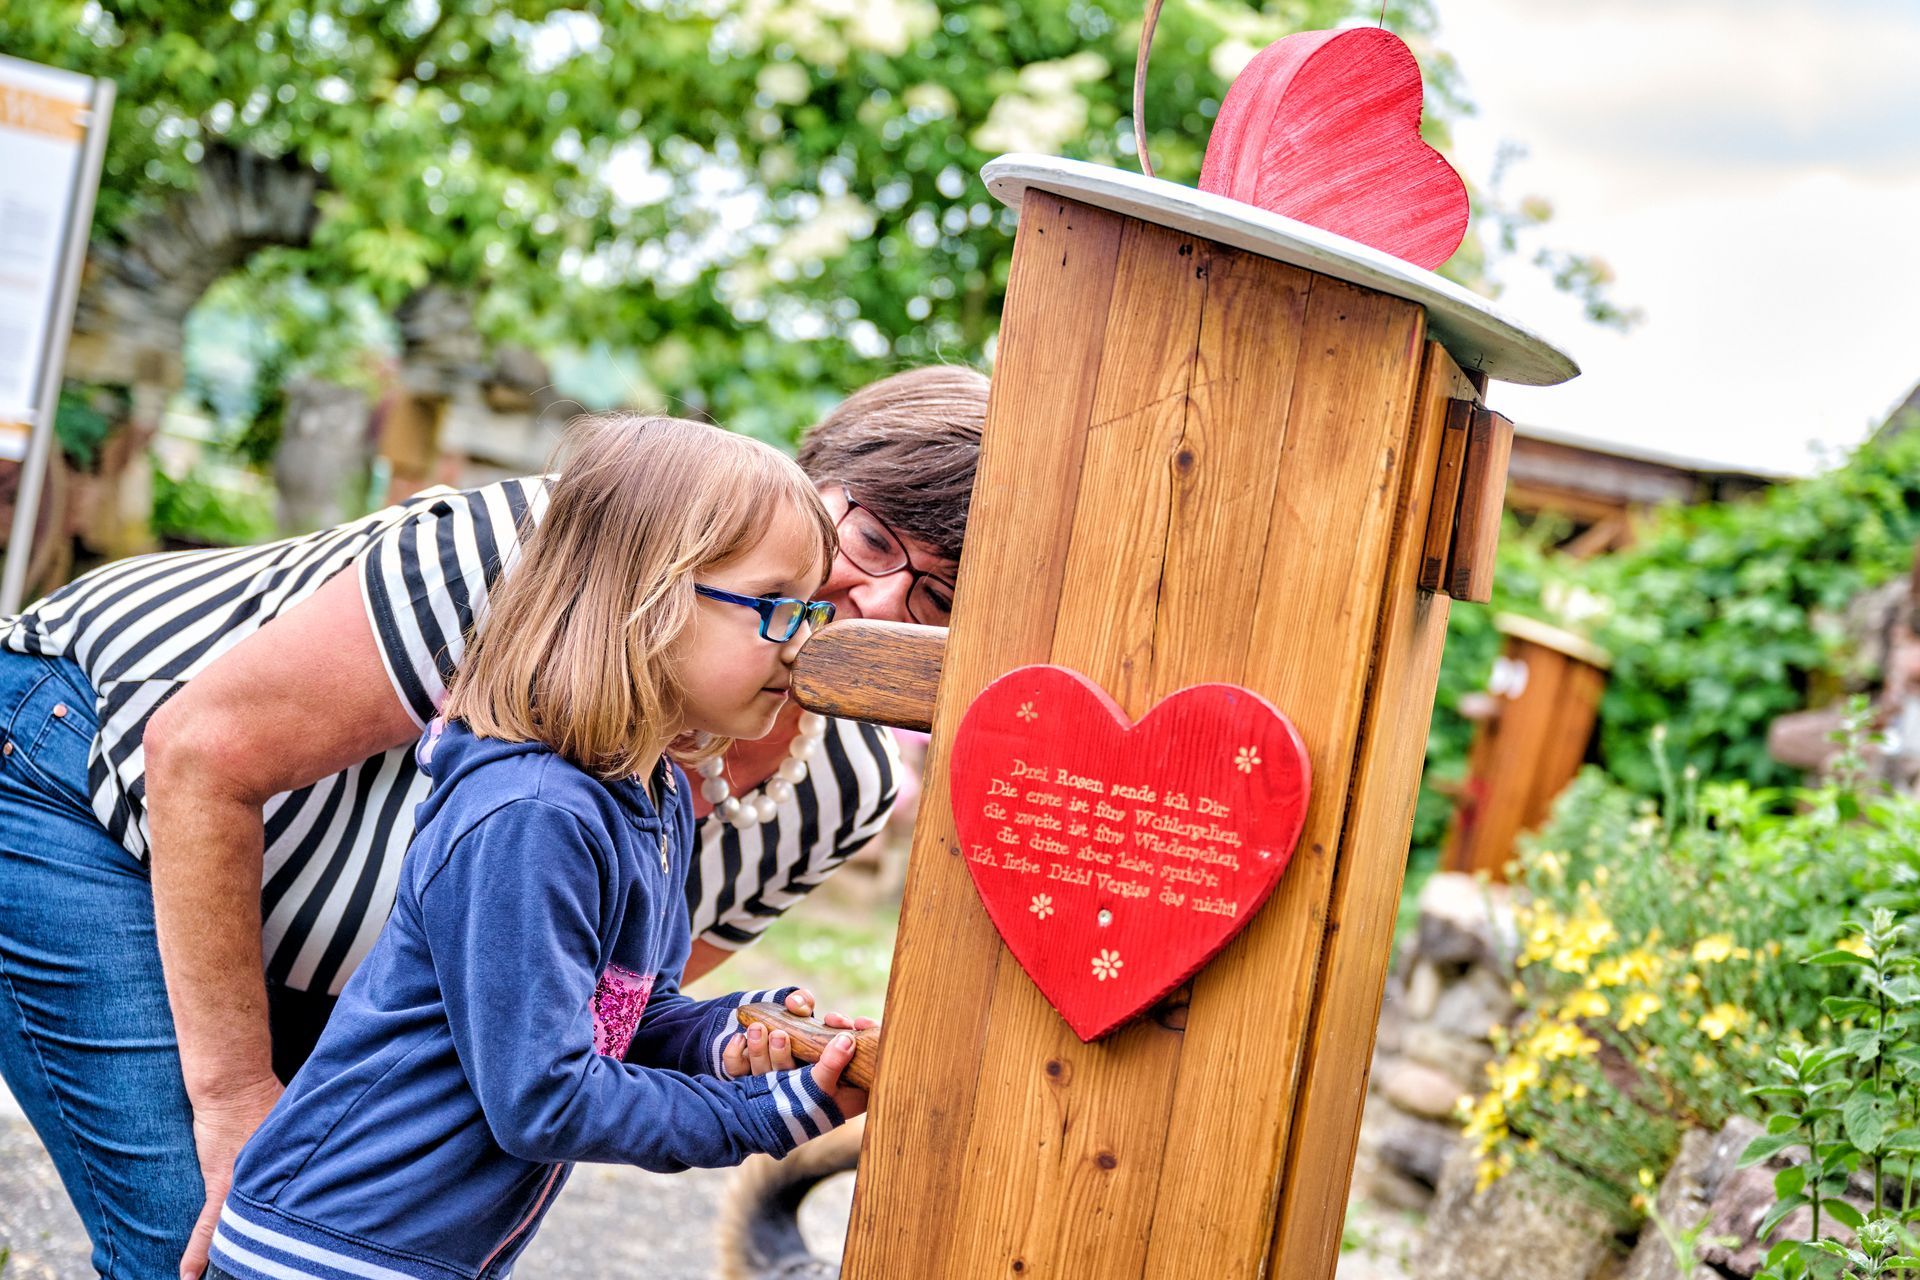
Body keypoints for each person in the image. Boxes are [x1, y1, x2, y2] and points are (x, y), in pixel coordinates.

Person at [0, 365, 987, 1280]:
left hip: (356, 987)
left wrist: (734, 1042)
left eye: (939, 593)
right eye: (869, 541)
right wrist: (233, 1103)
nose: (881, 601)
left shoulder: (738, 780)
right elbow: (202, 753)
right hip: (90, 775)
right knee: (188, 1225)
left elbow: (590, 1011)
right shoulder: (575, 554)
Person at [202, 412, 872, 1280]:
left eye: (812, 611)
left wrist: (726, 1036)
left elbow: (621, 1018)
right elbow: (543, 1098)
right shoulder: (533, 815)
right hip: (329, 1249)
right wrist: (759, 1118)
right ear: (650, 600)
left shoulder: (651, 796)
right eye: (779, 609)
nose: (804, 641)